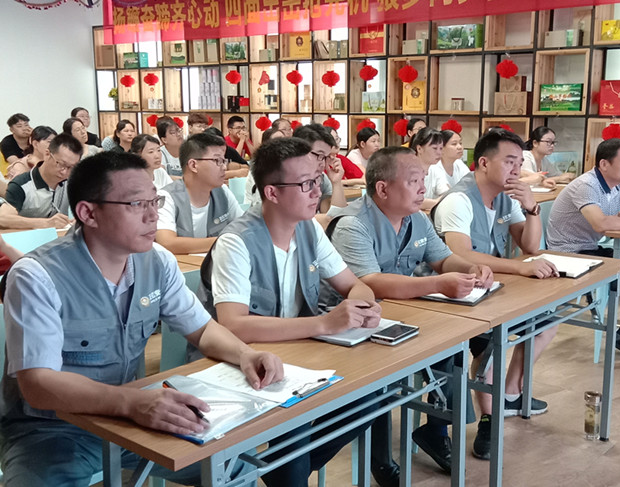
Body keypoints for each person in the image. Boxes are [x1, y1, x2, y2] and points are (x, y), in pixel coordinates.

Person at [0, 151, 283, 486]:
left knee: (234, 470)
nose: (153, 216)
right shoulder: (37, 276)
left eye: (155, 201)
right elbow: (38, 385)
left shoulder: (157, 261)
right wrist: (132, 403)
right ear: (88, 213)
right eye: (136, 204)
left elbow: (203, 329)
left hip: (129, 416)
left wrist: (245, 354)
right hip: (52, 429)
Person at [197, 137, 385, 487]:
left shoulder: (309, 229)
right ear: (271, 193)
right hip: (241, 361)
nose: (317, 192)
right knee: (295, 422)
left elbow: (354, 284)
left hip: (297, 354)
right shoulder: (236, 242)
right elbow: (233, 325)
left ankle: (278, 468)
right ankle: (285, 469)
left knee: (369, 395)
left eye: (317, 180)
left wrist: (364, 304)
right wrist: (324, 323)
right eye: (305, 184)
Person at [324, 146, 493, 480]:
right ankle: (380, 460)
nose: (422, 188)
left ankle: (436, 430)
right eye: (414, 180)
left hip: (400, 314)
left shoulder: (416, 218)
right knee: (381, 377)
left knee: (451, 346)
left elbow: (442, 259)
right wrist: (438, 284)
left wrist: (471, 267)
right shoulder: (352, 225)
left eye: (423, 179)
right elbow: (371, 282)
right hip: (350, 323)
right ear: (383, 188)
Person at [433, 128, 559, 460]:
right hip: (454, 295)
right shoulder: (459, 200)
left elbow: (530, 246)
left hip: (491, 288)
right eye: (509, 161)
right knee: (491, 344)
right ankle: (489, 417)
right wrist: (519, 268)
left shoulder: (505, 196)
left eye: (519, 162)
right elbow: (460, 255)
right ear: (484, 163)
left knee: (547, 321)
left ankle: (510, 394)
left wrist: (532, 208)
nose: (516, 170)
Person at [547, 138, 620, 363]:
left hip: (592, 248)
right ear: (604, 164)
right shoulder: (587, 185)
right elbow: (601, 224)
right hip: (568, 253)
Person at [156, 133, 242, 254]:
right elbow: (167, 243)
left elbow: (244, 229)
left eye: (224, 161)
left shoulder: (222, 191)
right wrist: (226, 241)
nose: (224, 167)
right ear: (193, 165)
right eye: (217, 160)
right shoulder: (167, 196)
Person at [0, 133, 82, 230]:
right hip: (30, 237)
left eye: (71, 167)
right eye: (60, 164)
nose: (64, 172)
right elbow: (3, 219)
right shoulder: (21, 185)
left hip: (62, 237)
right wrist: (46, 223)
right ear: (47, 154)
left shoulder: (72, 182)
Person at [293, 124, 347, 214]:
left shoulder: (321, 178)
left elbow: (336, 214)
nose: (323, 163)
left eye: (326, 157)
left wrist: (336, 182)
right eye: (320, 155)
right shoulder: (284, 180)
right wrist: (327, 218)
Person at [244, 127, 285, 205]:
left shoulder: (290, 166)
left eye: (284, 140)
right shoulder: (257, 168)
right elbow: (248, 197)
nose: (282, 144)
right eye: (277, 141)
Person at [409, 127, 444, 209]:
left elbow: (446, 193)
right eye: (434, 148)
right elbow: (411, 201)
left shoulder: (436, 169)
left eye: (441, 148)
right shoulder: (407, 170)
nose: (439, 153)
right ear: (419, 149)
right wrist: (436, 202)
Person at [431, 129, 470, 194]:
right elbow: (445, 193)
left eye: (460, 143)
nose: (460, 147)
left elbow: (470, 185)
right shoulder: (434, 167)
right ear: (441, 148)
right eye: (454, 144)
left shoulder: (459, 164)